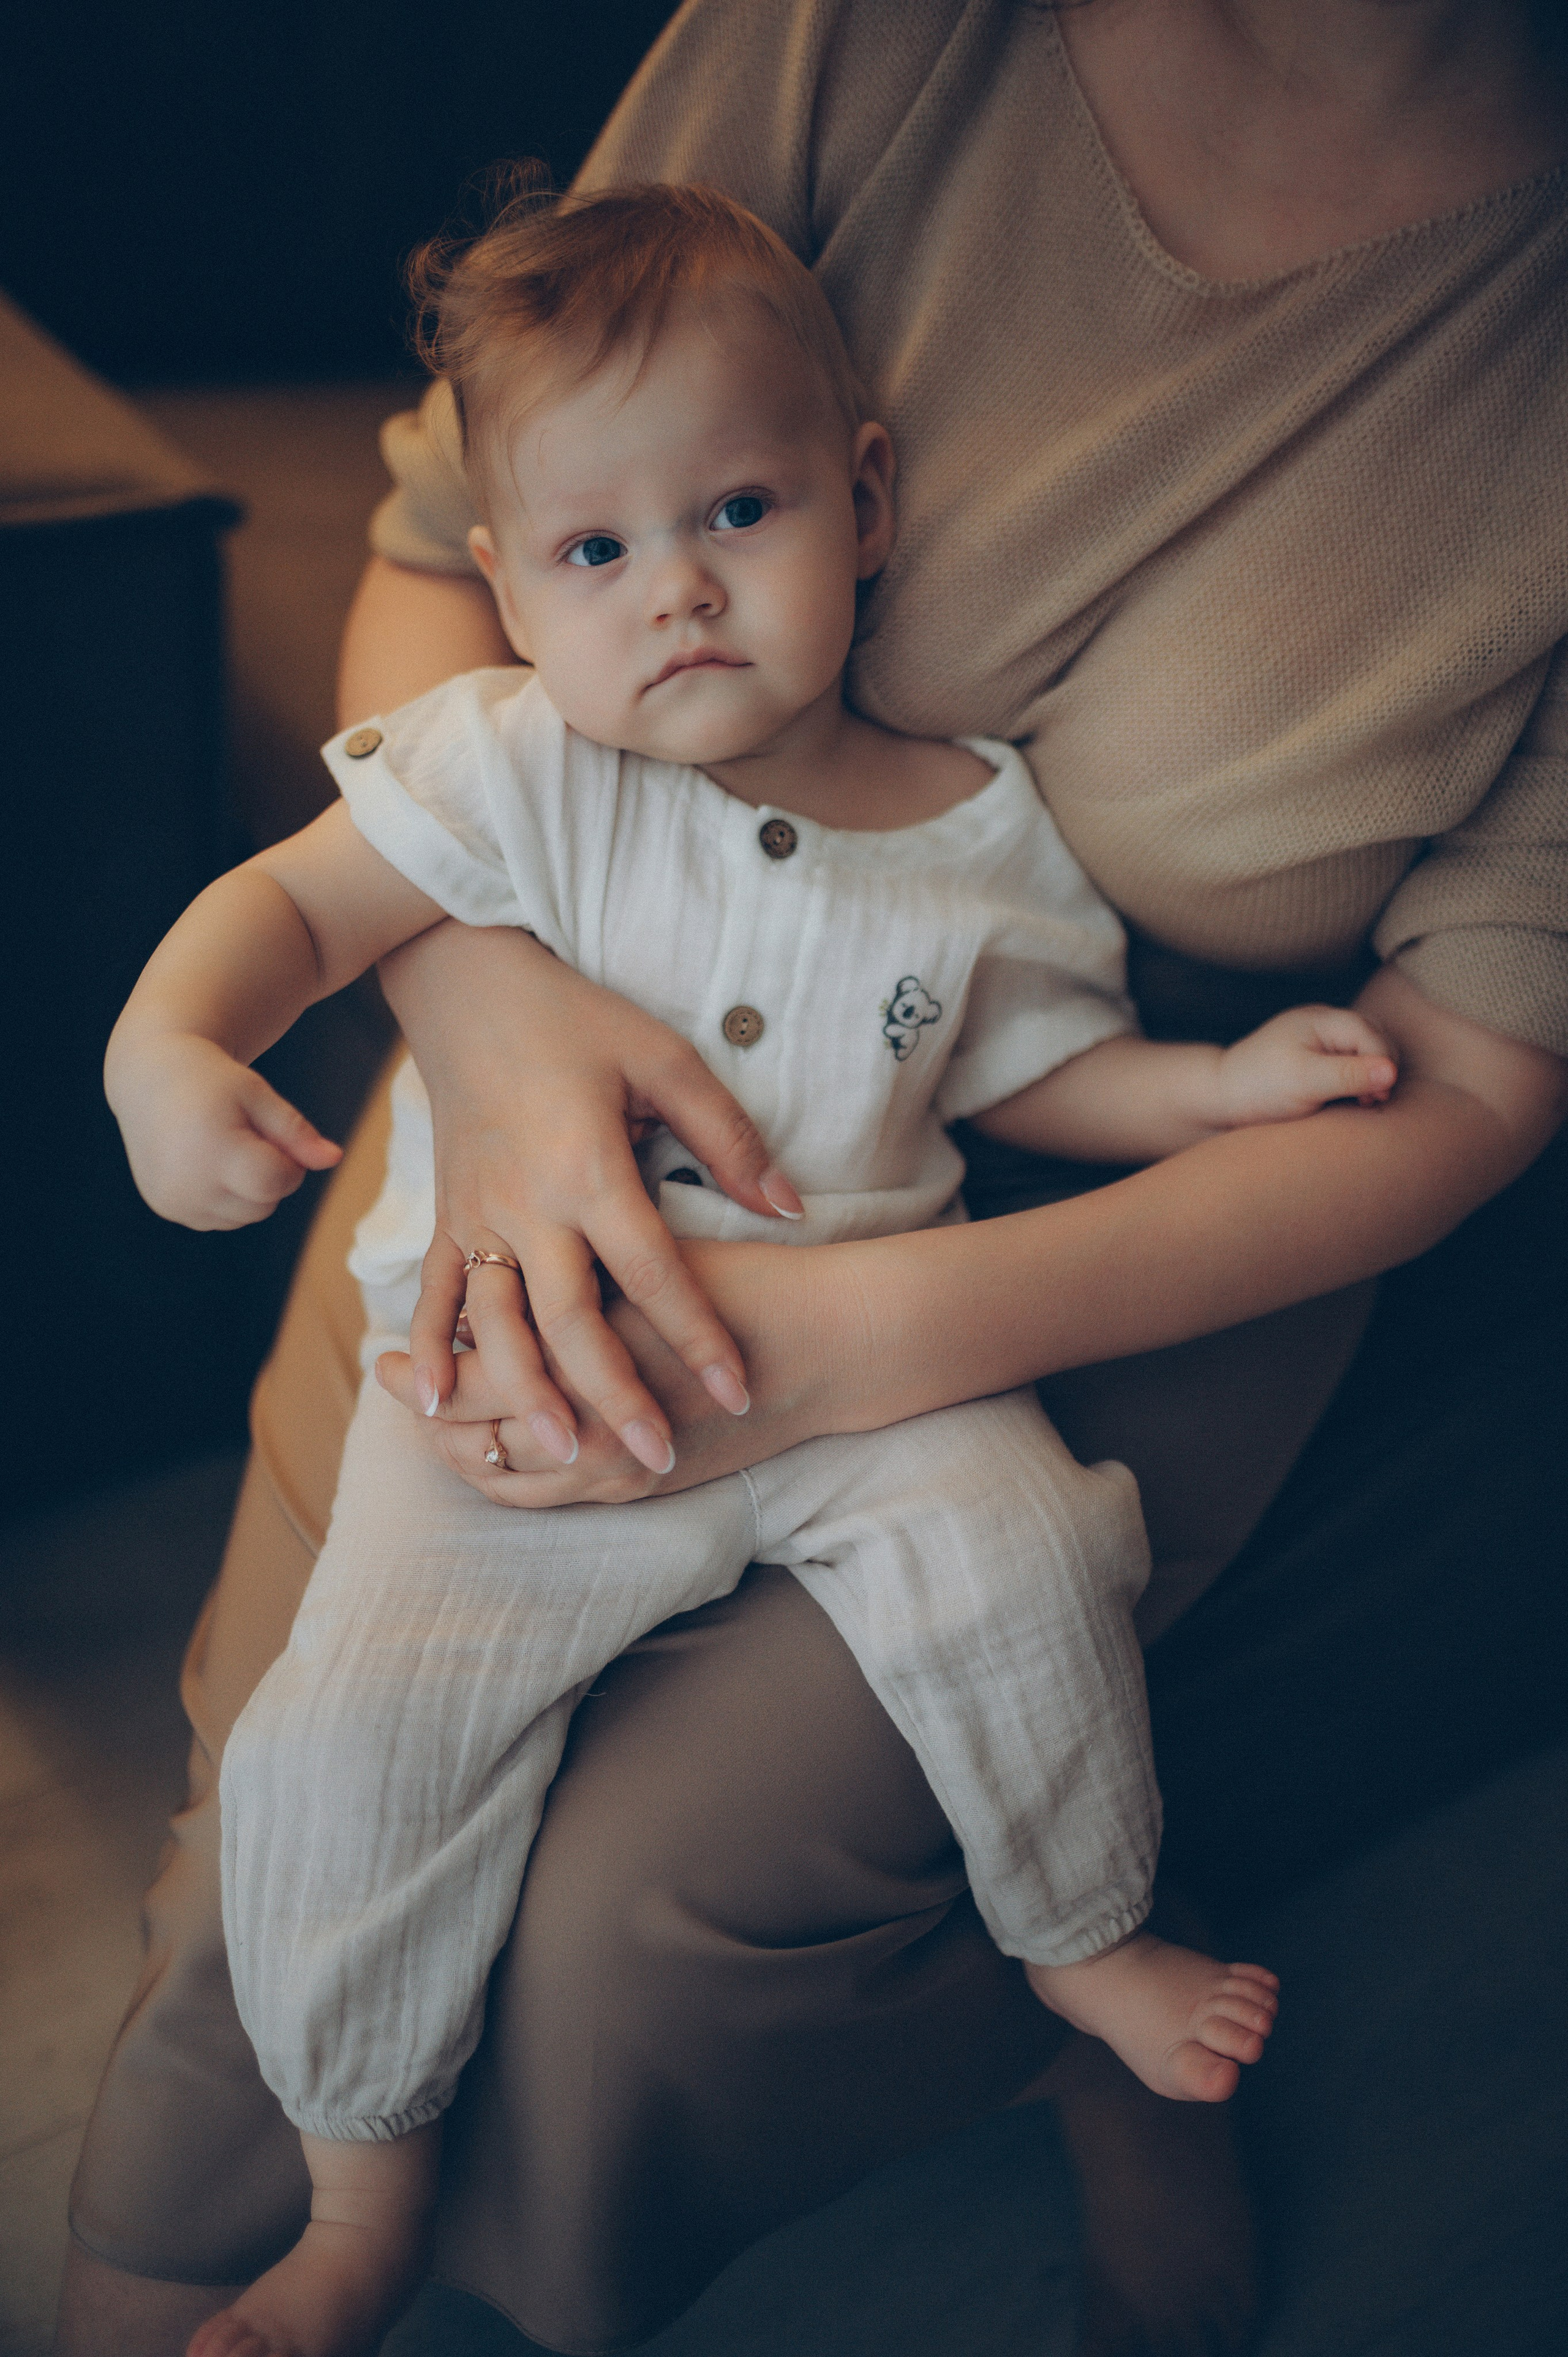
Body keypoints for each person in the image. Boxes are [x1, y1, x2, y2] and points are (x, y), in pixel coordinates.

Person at [59, 5, 1568, 2355]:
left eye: (736, 519)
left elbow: (1048, 1060)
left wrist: (1223, 1084)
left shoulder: (980, 828)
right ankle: (356, 2199)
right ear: (520, 584)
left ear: (867, 501)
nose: (673, 589)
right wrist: (174, 1047)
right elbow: (297, 903)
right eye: (599, 550)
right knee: (334, 1757)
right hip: (518, 1370)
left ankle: (1087, 1948)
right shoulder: (508, 762)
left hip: (907, 1351)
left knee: (1021, 1570)